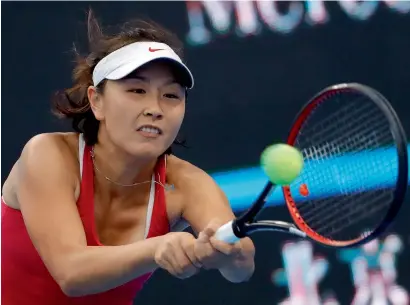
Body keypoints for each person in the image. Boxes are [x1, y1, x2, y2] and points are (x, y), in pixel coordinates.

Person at [1, 10, 255, 305]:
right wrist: (159, 248)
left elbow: (241, 270)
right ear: (97, 102)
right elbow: (71, 273)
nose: (155, 108)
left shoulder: (187, 184)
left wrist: (232, 254)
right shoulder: (47, 155)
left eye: (171, 96)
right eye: (137, 90)